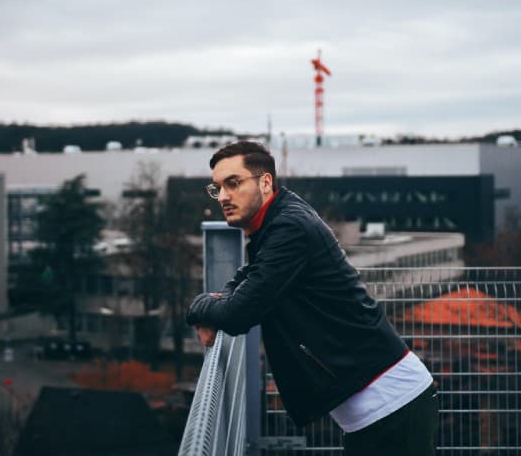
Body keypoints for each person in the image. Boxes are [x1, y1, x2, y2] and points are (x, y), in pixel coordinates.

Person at [186, 141, 438, 455]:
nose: (223, 196)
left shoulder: (289, 228)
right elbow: (245, 280)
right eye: (217, 188)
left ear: (265, 182)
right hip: (376, 410)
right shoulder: (277, 222)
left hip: (393, 407)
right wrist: (215, 307)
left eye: (233, 183)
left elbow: (239, 313)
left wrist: (199, 308)